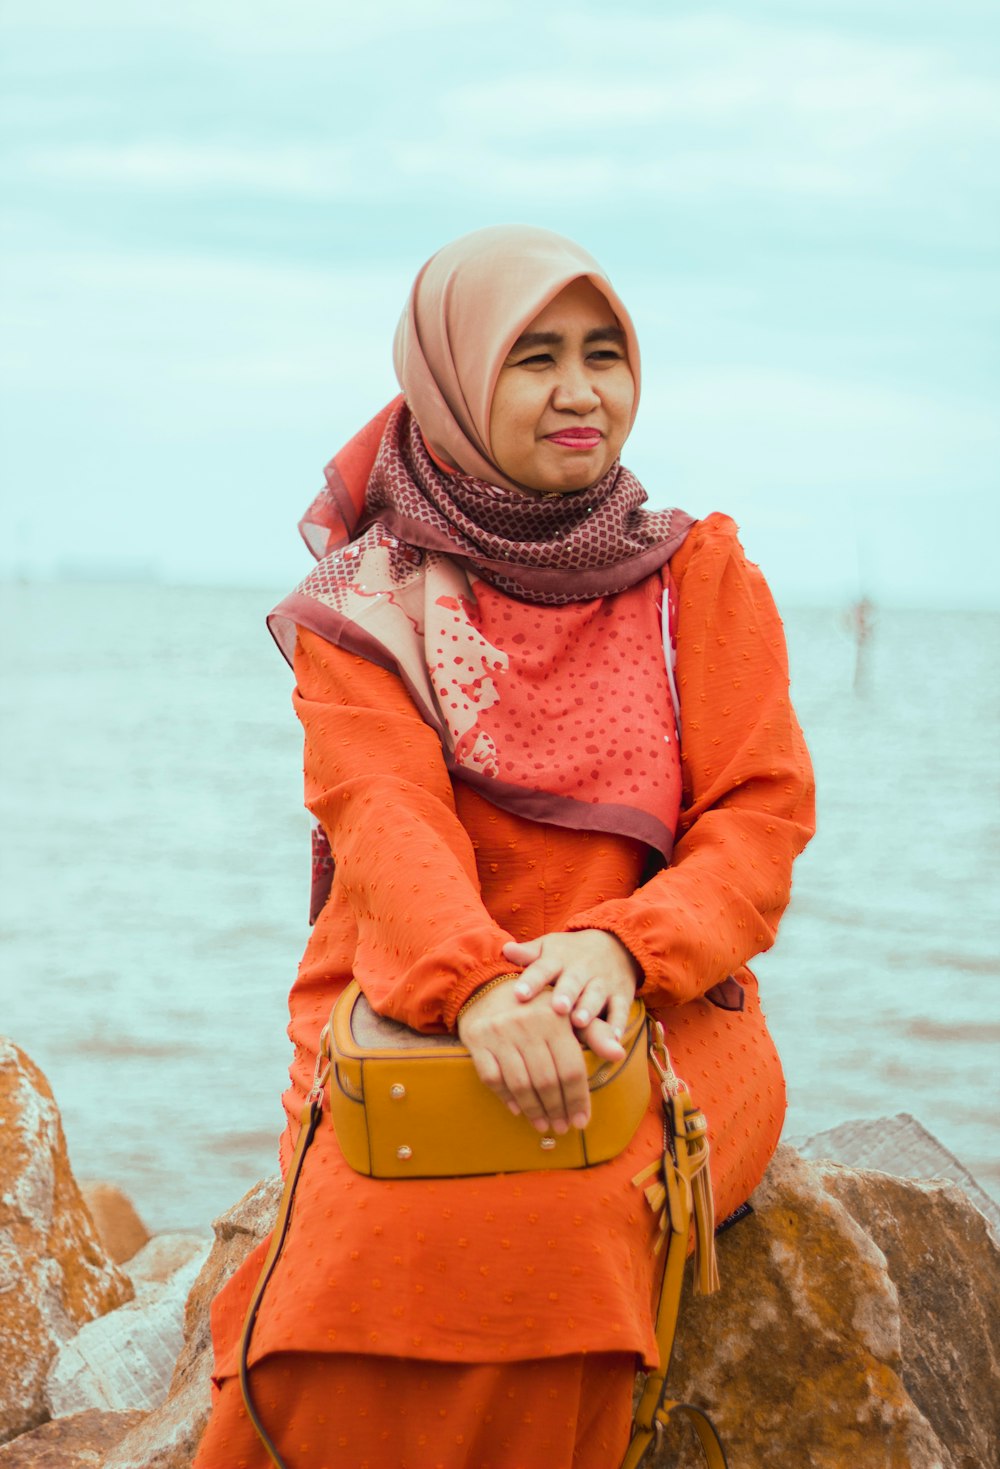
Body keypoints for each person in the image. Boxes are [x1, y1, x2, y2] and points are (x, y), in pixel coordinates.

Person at [193, 225, 815, 1469]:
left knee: (577, 1210)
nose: (580, 391)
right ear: (455, 380)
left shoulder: (700, 575)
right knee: (357, 1243)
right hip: (406, 997)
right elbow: (382, 812)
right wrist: (476, 985)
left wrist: (625, 945)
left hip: (662, 1004)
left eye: (603, 354)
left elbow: (759, 815)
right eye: (532, 357)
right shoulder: (371, 598)